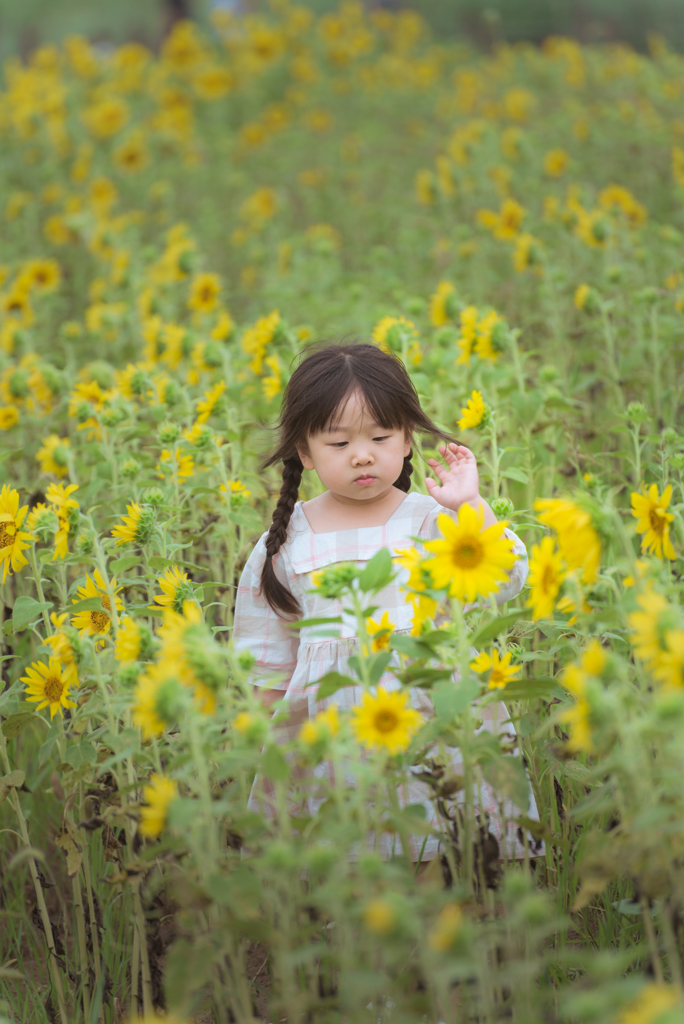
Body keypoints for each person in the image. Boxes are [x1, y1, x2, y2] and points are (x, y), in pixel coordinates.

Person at [233, 342, 542, 864]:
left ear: (406, 440)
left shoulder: (429, 521)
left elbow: (505, 578)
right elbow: (265, 657)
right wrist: (261, 744)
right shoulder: (284, 542)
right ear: (304, 453)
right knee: (347, 863)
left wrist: (470, 505)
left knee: (443, 852)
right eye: (338, 442)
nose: (362, 454)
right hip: (330, 736)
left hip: (432, 721)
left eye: (380, 436)